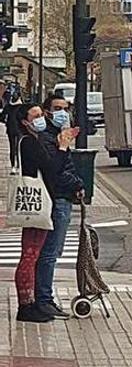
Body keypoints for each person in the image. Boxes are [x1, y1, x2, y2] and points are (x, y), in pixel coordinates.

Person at [33, 94, 84, 320]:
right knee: (49, 253)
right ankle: (43, 299)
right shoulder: (47, 139)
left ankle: (44, 297)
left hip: (64, 197)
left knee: (54, 251)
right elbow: (55, 172)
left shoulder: (57, 136)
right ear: (47, 112)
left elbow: (66, 167)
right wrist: (76, 183)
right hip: (57, 199)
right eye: (57, 108)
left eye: (65, 108)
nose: (62, 112)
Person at [13, 103, 54, 322]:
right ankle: (25, 305)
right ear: (25, 121)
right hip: (35, 202)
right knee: (30, 254)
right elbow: (47, 165)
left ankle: (29, 303)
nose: (41, 119)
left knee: (32, 253)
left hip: (35, 202)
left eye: (42, 114)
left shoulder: (28, 140)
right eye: (36, 115)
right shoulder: (29, 142)